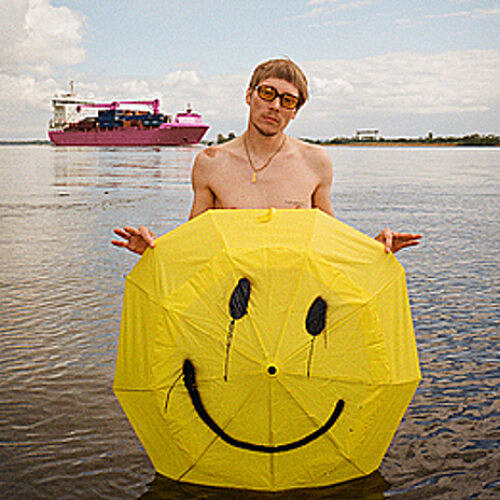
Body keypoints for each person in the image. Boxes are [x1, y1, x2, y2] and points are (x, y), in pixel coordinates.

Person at [112, 58, 421, 254]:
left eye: (288, 101)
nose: (275, 106)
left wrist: (372, 249)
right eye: (268, 93)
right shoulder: (210, 162)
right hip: (232, 300)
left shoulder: (316, 161)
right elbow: (194, 244)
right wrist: (154, 249)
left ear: (295, 112)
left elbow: (331, 242)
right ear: (249, 95)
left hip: (294, 298)